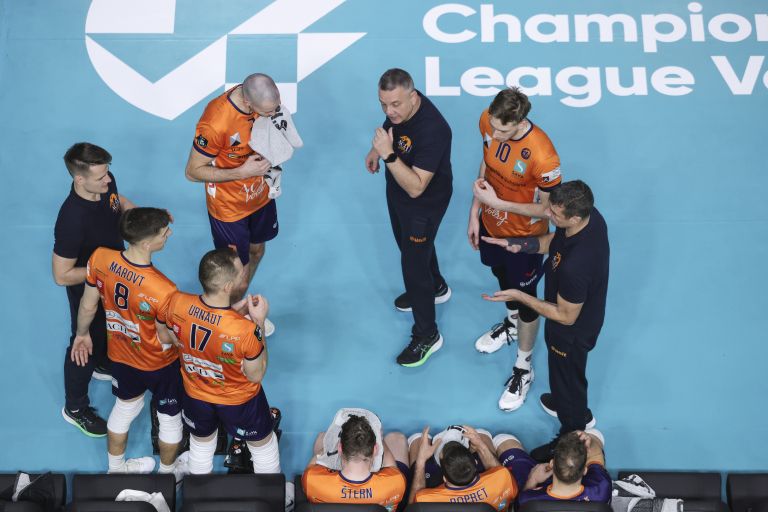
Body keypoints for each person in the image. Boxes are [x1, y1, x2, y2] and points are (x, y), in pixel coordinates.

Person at [483, 180, 609, 461]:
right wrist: (521, 245)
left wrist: (519, 295)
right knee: (565, 379)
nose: (547, 215)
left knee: (568, 377)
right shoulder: (590, 218)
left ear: (574, 218)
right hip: (573, 318)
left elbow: (565, 315)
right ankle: (569, 404)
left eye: (554, 214)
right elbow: (555, 241)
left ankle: (572, 430)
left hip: (571, 332)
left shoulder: (577, 266)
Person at [468, 87, 563, 412]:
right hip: (490, 225)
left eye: (503, 131)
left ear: (521, 122)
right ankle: (511, 325)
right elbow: (486, 166)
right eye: (493, 127)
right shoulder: (488, 120)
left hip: (524, 239)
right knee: (500, 277)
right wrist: (475, 211)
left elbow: (549, 211)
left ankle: (524, 367)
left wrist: (498, 203)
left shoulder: (544, 157)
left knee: (525, 300)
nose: (494, 135)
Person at [71, 208, 184, 476]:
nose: (168, 234)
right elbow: (165, 336)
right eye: (163, 232)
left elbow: (88, 305)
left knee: (124, 409)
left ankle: (116, 470)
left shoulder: (100, 258)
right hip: (159, 364)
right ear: (146, 244)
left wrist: (81, 334)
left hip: (121, 356)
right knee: (169, 419)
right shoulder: (164, 288)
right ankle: (169, 475)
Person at [157, 247, 281, 476]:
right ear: (228, 287)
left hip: (195, 395)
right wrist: (259, 323)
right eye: (240, 273)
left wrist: (231, 313)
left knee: (201, 446)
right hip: (240, 401)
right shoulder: (245, 330)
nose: (244, 274)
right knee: (264, 448)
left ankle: (199, 493)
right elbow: (256, 374)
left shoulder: (177, 302)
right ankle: (271, 493)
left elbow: (167, 337)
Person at [364, 68, 453, 367]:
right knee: (411, 246)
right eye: (383, 104)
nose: (389, 112)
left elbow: (416, 187)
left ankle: (428, 334)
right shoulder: (401, 109)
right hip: (397, 192)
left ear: (413, 97)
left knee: (413, 266)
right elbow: (391, 126)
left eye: (395, 104)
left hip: (423, 203)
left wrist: (388, 155)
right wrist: (375, 150)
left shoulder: (435, 129)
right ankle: (437, 286)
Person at [184, 73, 282, 335]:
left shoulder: (265, 102)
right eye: (267, 112)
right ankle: (227, 328)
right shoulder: (215, 122)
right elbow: (192, 172)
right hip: (229, 207)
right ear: (249, 104)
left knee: (257, 251)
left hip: (259, 194)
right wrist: (241, 172)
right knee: (238, 279)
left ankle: (237, 311)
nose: (272, 114)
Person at [53, 142, 136, 437]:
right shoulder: (71, 219)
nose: (108, 179)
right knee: (83, 344)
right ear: (80, 179)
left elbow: (117, 200)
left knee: (110, 330)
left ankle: (103, 364)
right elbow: (61, 275)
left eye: (108, 172)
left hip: (112, 281)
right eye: (101, 176)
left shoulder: (105, 182)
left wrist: (135, 214)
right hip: (90, 289)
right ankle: (75, 408)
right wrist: (104, 273)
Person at [302, 415, 409, 510]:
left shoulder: (311, 480)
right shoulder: (396, 482)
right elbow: (392, 467)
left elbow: (312, 465)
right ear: (375, 449)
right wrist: (380, 439)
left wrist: (331, 445)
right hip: (383, 497)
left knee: (322, 437)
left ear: (340, 448)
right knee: (396, 438)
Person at [409, 425, 516, 510]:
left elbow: (412, 508)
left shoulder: (424, 500)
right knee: (483, 434)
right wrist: (480, 445)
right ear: (475, 462)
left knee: (417, 439)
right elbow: (499, 472)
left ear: (444, 479)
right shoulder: (503, 477)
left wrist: (421, 461)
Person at [499, 430, 610, 505]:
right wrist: (585, 436)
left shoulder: (528, 499)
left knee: (504, 440)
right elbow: (596, 452)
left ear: (552, 463)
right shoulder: (601, 488)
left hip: (538, 484)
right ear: (585, 470)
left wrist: (533, 480)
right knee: (593, 434)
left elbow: (519, 506)